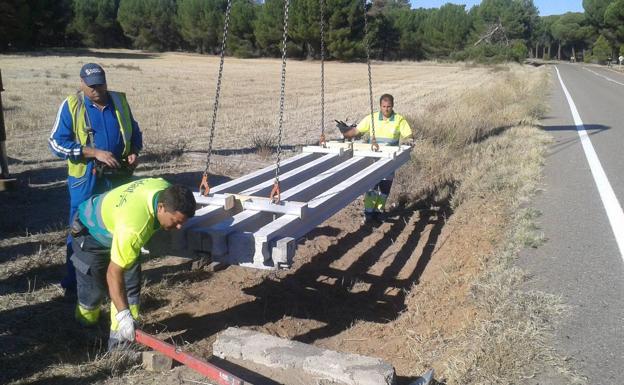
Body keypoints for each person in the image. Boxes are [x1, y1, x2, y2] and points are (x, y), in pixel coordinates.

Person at [49, 63, 143, 295]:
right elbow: (56, 143)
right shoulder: (72, 106)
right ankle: (75, 285)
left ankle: (112, 280)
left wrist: (134, 151)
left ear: (105, 81)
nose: (96, 90)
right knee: (79, 231)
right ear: (81, 83)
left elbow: (134, 131)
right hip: (86, 180)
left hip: (117, 176)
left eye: (100, 84)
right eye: (90, 86)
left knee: (116, 227)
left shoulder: (119, 101)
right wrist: (93, 153)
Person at [70, 177, 196, 348]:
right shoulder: (134, 229)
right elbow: (113, 273)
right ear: (161, 207)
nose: (180, 227)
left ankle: (120, 343)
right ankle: (85, 329)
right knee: (93, 293)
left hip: (118, 226)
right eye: (176, 221)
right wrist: (123, 315)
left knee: (130, 288)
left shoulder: (165, 190)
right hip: (91, 233)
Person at [342, 94, 413, 224]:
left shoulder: (399, 120)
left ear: (393, 106)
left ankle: (378, 212)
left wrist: (409, 141)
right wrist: (344, 133)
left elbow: (408, 135)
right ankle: (369, 213)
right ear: (380, 106)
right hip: (373, 160)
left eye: (389, 106)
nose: (386, 109)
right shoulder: (372, 118)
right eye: (384, 106)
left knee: (385, 188)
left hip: (389, 161)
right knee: (371, 188)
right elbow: (356, 131)